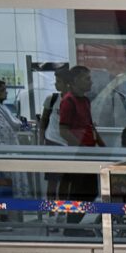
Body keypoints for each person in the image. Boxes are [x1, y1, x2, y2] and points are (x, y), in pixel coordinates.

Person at [58, 65, 105, 231]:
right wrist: (79, 147)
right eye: (87, 79)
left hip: (88, 153)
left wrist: (100, 144)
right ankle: (71, 226)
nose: (90, 82)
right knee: (80, 192)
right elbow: (63, 130)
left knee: (90, 191)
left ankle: (73, 225)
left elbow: (90, 126)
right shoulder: (68, 102)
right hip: (79, 155)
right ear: (76, 80)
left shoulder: (85, 101)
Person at [0, 78, 31, 201]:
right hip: (2, 156)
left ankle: (12, 215)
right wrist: (2, 155)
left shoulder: (3, 108)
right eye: (2, 90)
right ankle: (2, 217)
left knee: (11, 192)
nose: (6, 92)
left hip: (11, 153)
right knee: (2, 192)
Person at [39, 67, 70, 201]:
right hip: (52, 142)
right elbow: (44, 120)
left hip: (68, 145)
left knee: (66, 180)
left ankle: (63, 210)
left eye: (59, 81)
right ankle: (51, 208)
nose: (56, 84)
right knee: (52, 180)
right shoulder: (52, 99)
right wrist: (42, 142)